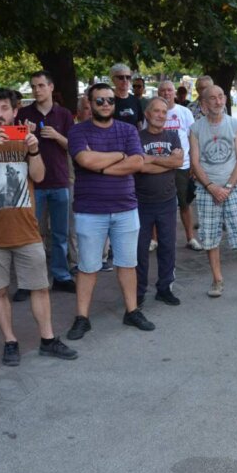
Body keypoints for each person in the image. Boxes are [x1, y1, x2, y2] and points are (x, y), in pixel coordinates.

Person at [0, 88, 77, 366]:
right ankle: (10, 341)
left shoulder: (25, 141)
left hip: (26, 229)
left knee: (39, 287)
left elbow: (38, 176)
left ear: (15, 112)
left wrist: (34, 147)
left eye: (4, 108)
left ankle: (48, 339)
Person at [66, 83, 154, 339]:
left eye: (109, 101)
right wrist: (119, 155)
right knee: (88, 266)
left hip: (125, 208)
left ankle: (132, 311)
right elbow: (85, 160)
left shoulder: (128, 129)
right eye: (99, 101)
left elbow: (137, 162)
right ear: (90, 104)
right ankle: (82, 318)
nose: (105, 105)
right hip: (90, 210)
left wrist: (102, 166)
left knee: (128, 263)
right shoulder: (77, 131)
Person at [189, 85, 237, 302]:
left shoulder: (235, 125)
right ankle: (217, 279)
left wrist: (228, 188)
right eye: (212, 98)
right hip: (206, 190)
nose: (218, 101)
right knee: (210, 238)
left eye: (221, 97)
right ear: (203, 104)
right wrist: (211, 187)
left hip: (233, 189)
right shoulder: (195, 129)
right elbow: (195, 161)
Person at [17, 71, 76, 295]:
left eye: (41, 85)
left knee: (60, 234)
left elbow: (74, 147)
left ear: (51, 87)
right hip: (33, 183)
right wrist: (25, 134)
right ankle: (30, 281)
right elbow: (13, 147)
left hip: (60, 180)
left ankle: (61, 275)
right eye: (33, 86)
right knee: (31, 235)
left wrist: (58, 136)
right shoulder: (23, 113)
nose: (37, 90)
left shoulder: (63, 114)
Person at [135, 96, 184, 307]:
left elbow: (178, 162)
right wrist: (167, 162)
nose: (160, 115)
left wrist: (153, 159)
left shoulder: (173, 136)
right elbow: (139, 166)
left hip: (167, 201)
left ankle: (164, 288)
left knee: (167, 246)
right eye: (156, 111)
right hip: (141, 202)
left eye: (164, 112)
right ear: (147, 113)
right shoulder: (136, 137)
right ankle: (138, 292)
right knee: (140, 250)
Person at [158, 80, 204, 251]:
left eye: (169, 90)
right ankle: (155, 240)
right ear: (158, 93)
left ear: (174, 93)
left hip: (182, 166)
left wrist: (194, 162)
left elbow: (193, 138)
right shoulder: (154, 113)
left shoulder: (184, 112)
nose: (166, 93)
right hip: (159, 166)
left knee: (184, 204)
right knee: (158, 204)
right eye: (162, 90)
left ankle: (190, 238)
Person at [109, 62, 144, 128]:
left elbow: (139, 124)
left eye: (128, 77)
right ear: (113, 80)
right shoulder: (108, 101)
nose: (125, 80)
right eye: (121, 77)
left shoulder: (135, 101)